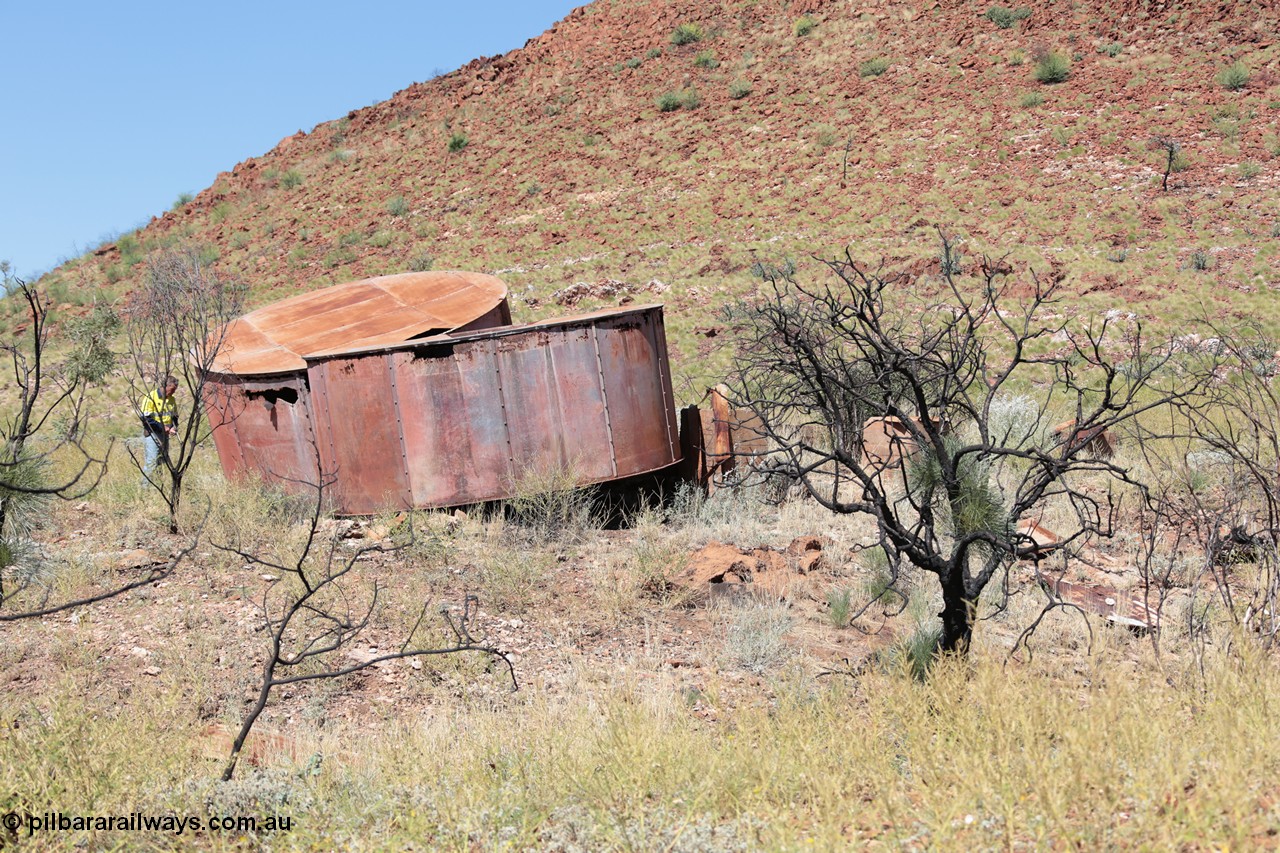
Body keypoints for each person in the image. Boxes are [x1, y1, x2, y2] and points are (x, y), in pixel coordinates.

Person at [139, 375, 179, 475]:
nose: (173, 392)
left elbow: (174, 416)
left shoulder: (172, 400)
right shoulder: (150, 397)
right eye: (172, 389)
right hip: (152, 434)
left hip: (165, 435)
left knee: (162, 462)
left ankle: (158, 485)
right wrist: (163, 427)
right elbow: (145, 419)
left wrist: (174, 427)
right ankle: (145, 488)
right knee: (151, 462)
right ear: (165, 386)